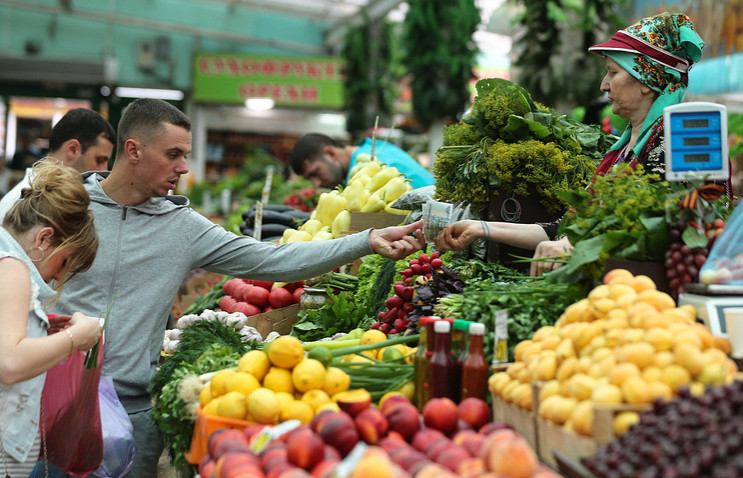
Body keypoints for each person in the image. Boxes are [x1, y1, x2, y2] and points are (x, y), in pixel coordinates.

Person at [52, 98, 426, 478]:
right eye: (174, 154)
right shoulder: (64, 208)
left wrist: (366, 239)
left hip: (134, 415)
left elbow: (274, 259)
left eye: (186, 154)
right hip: (55, 400)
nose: (184, 167)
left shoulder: (182, 228)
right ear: (133, 150)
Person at [436, 13, 718, 277]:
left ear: (646, 81)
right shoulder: (622, 151)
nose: (603, 85)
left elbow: (671, 231)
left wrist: (576, 246)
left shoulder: (678, 140)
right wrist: (481, 228)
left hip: (648, 297)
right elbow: (561, 231)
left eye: (612, 73)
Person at [0, 161, 102, 477]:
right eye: (64, 263)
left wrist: (40, 328)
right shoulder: (14, 267)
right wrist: (75, 338)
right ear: (44, 239)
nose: (58, 279)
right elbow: (9, 363)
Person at [0, 108, 115, 220]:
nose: (103, 170)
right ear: (73, 149)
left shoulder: (49, 198)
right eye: (99, 160)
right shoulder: (20, 206)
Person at [290, 132, 435, 190]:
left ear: (330, 153)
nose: (316, 184)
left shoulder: (365, 170)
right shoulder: (370, 146)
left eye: (316, 173)